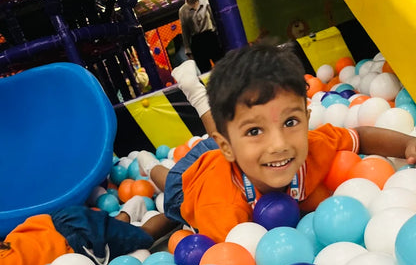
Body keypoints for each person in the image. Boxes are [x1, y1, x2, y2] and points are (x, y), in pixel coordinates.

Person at [136, 43, 416, 243]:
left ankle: (209, 105)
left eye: (290, 122)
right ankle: (150, 167)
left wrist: (407, 145)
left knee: (222, 135)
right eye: (256, 130)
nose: (279, 143)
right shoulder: (221, 210)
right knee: (170, 187)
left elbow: (362, 136)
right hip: (193, 182)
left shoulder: (312, 147)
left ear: (307, 119)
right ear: (229, 147)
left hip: (239, 154)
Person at [0, 196, 178, 265]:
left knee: (145, 236)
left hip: (77, 244)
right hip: (53, 222)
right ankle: (125, 214)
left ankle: (183, 205)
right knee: (109, 233)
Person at [178, 0, 224, 73]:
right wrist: (188, 50)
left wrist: (218, 35)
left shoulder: (205, 1)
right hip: (197, 42)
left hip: (211, 37)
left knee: (222, 67)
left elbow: (213, 20)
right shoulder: (183, 11)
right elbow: (185, 31)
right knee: (205, 72)